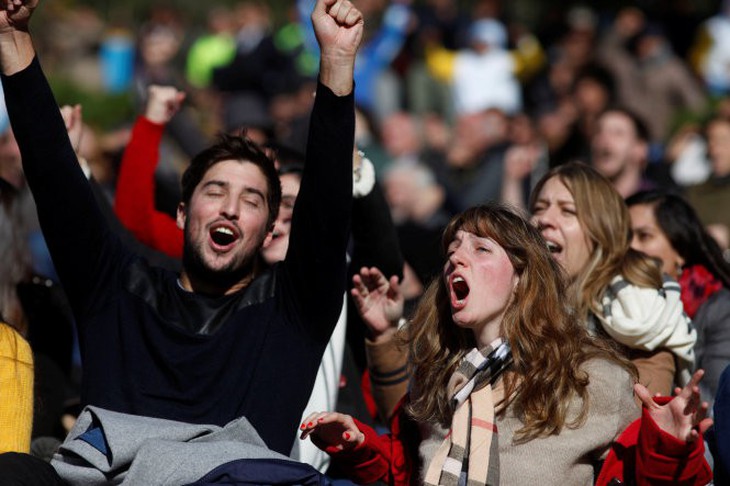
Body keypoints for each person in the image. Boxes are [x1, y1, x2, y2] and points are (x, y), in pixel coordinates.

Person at [0, 0, 362, 463]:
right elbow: (55, 180)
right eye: (215, 192)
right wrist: (12, 38)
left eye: (252, 200)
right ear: (181, 213)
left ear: (271, 232)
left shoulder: (289, 315)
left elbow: (326, 209)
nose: (230, 208)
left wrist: (335, 61)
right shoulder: (117, 292)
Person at [299, 203, 712, 485]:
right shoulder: (438, 379)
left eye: (480, 249)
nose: (456, 259)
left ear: (522, 278)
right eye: (453, 250)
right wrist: (360, 448)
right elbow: (407, 473)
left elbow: (656, 478)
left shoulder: (590, 376)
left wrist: (670, 446)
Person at [530, 162, 696, 396]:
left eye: (567, 211)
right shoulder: (515, 305)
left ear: (601, 231)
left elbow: (640, 417)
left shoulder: (640, 315)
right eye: (538, 208)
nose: (544, 219)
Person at [627, 190, 730, 406]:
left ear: (680, 250)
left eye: (644, 236)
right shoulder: (610, 306)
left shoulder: (721, 310)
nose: (631, 247)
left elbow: (717, 400)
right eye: (625, 237)